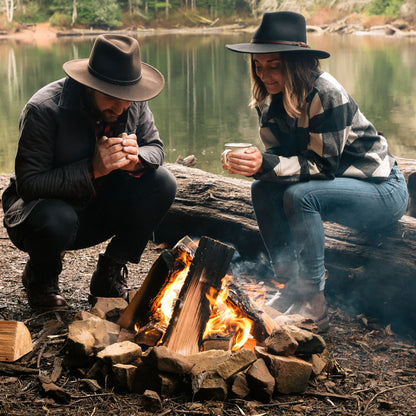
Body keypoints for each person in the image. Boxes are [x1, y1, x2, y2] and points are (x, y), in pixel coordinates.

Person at [223, 11, 409, 329]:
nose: (264, 74)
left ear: (296, 63)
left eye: (274, 66)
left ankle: (314, 302)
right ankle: (290, 284)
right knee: (262, 189)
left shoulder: (326, 93)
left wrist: (266, 164)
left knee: (301, 196)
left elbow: (322, 167)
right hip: (336, 188)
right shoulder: (268, 101)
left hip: (382, 191)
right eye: (258, 65)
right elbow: (281, 163)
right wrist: (254, 165)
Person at [2, 34, 177, 310]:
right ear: (90, 85)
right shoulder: (44, 108)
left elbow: (155, 148)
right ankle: (42, 277)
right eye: (112, 97)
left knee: (163, 182)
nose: (122, 107)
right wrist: (91, 169)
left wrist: (137, 159)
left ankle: (109, 273)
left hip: (97, 211)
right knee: (55, 218)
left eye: (127, 98)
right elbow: (29, 185)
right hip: (41, 218)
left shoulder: (132, 100)